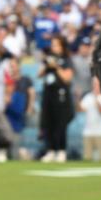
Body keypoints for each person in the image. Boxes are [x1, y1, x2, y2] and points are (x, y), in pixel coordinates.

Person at [38, 34, 75, 163]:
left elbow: (67, 78)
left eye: (56, 45)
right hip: (48, 94)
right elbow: (39, 74)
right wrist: (47, 64)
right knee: (48, 123)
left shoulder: (66, 60)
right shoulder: (49, 59)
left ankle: (61, 150)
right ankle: (50, 150)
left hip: (61, 95)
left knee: (60, 124)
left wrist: (57, 67)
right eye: (52, 45)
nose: (53, 47)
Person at [79, 77, 101, 161]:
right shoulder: (88, 96)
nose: (95, 86)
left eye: (97, 84)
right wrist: (77, 97)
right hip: (88, 132)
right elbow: (80, 109)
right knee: (87, 159)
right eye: (94, 84)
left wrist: (96, 97)